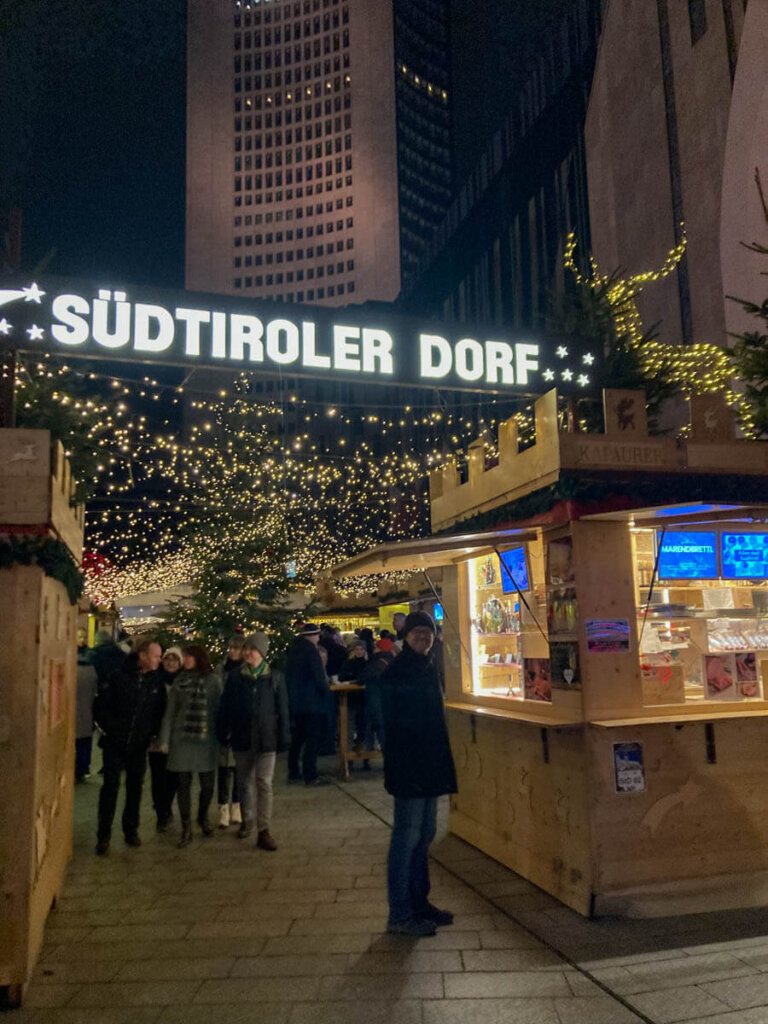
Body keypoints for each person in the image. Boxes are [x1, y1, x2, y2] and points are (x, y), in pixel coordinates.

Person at [380, 611, 458, 936]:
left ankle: (419, 903)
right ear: (406, 636)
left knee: (424, 837)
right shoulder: (397, 672)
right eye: (417, 633)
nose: (423, 637)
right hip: (411, 768)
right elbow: (392, 727)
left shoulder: (427, 667)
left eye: (428, 632)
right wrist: (403, 764)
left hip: (429, 766)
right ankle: (400, 915)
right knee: (406, 839)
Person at [217, 632, 290, 850]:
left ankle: (263, 830)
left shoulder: (275, 677)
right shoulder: (236, 677)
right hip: (242, 738)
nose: (248, 652)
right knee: (244, 783)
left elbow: (282, 709)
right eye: (246, 648)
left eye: (253, 649)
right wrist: (224, 731)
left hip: (267, 739)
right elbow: (226, 707)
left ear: (262, 652)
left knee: (264, 783)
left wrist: (284, 735)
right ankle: (248, 822)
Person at [93, 638, 166, 855]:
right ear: (143, 655)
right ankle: (103, 835)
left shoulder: (155, 681)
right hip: (115, 742)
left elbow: (159, 710)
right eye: (156, 656)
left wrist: (150, 733)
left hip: (138, 744)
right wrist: (111, 728)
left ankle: (130, 829)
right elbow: (100, 706)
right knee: (110, 788)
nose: (159, 660)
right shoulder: (119, 676)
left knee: (135, 788)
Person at [158, 645, 222, 848]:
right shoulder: (180, 681)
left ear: (198, 658)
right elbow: (170, 713)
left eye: (188, 656)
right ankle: (186, 827)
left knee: (208, 784)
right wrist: (165, 740)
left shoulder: (213, 681)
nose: (184, 659)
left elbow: (219, 711)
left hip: (206, 738)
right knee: (182, 785)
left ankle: (202, 816)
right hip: (181, 738)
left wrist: (223, 736)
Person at [286, 623, 330, 785]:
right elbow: (318, 676)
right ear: (313, 635)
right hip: (313, 702)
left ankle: (293, 772)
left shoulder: (294, 650)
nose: (319, 638)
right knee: (313, 739)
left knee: (298, 738)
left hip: (297, 702)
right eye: (317, 635)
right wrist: (325, 692)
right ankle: (310, 774)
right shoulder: (311, 651)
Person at [147, 646, 182, 831]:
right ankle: (161, 812)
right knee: (158, 776)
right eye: (168, 659)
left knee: (173, 776)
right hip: (156, 736)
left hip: (177, 738)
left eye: (175, 660)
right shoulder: (154, 680)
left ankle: (166, 805)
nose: (171, 663)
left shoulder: (183, 682)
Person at [216, 634, 245, 828]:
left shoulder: (245, 670)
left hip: (239, 725)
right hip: (223, 722)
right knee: (224, 770)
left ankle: (237, 806)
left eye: (237, 648)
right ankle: (223, 809)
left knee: (238, 770)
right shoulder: (221, 669)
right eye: (231, 648)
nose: (233, 651)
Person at [75, 647, 98, 782]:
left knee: (73, 742)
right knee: (85, 743)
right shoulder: (92, 671)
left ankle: (75, 769)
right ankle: (83, 769)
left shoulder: (72, 670)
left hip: (72, 713)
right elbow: (95, 692)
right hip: (87, 712)